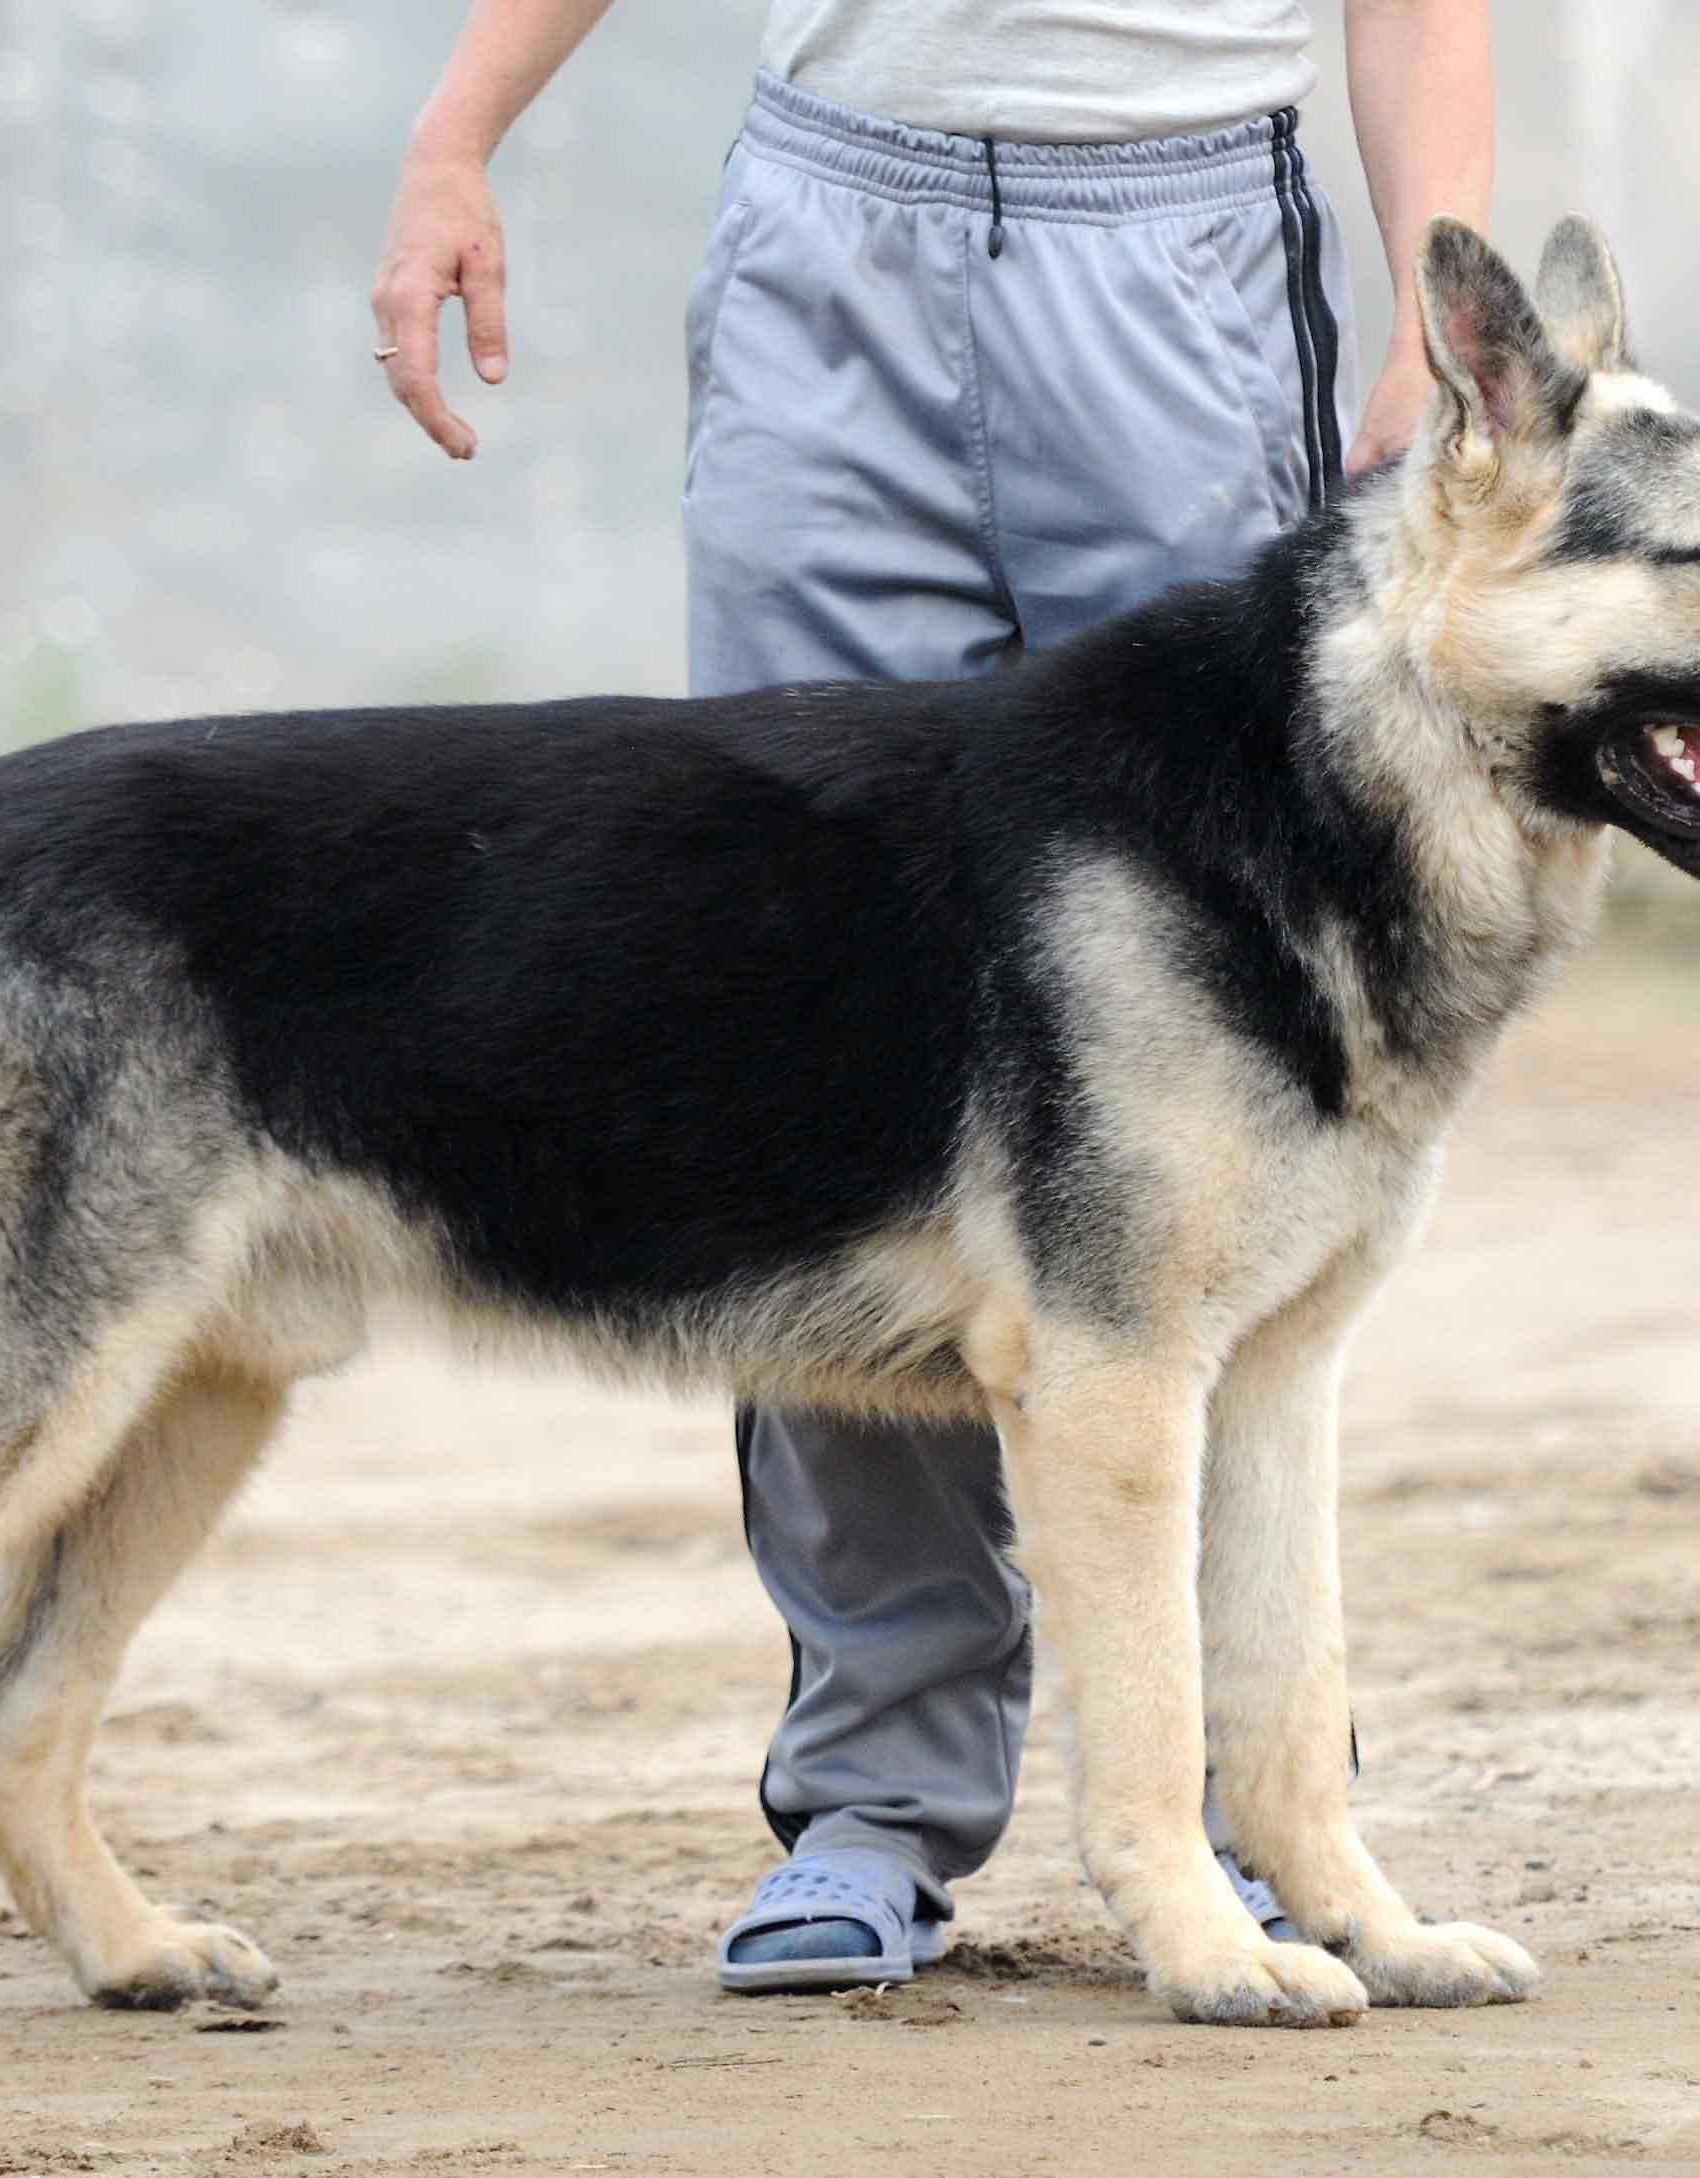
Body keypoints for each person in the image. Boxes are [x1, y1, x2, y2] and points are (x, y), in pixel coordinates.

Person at [373, 0, 1491, 1993]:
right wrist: (456, 135)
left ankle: (1252, 1817)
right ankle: (879, 1795)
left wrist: (1428, 293)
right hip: (834, 224)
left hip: (1178, 244)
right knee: (814, 1029)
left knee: (1209, 1101)